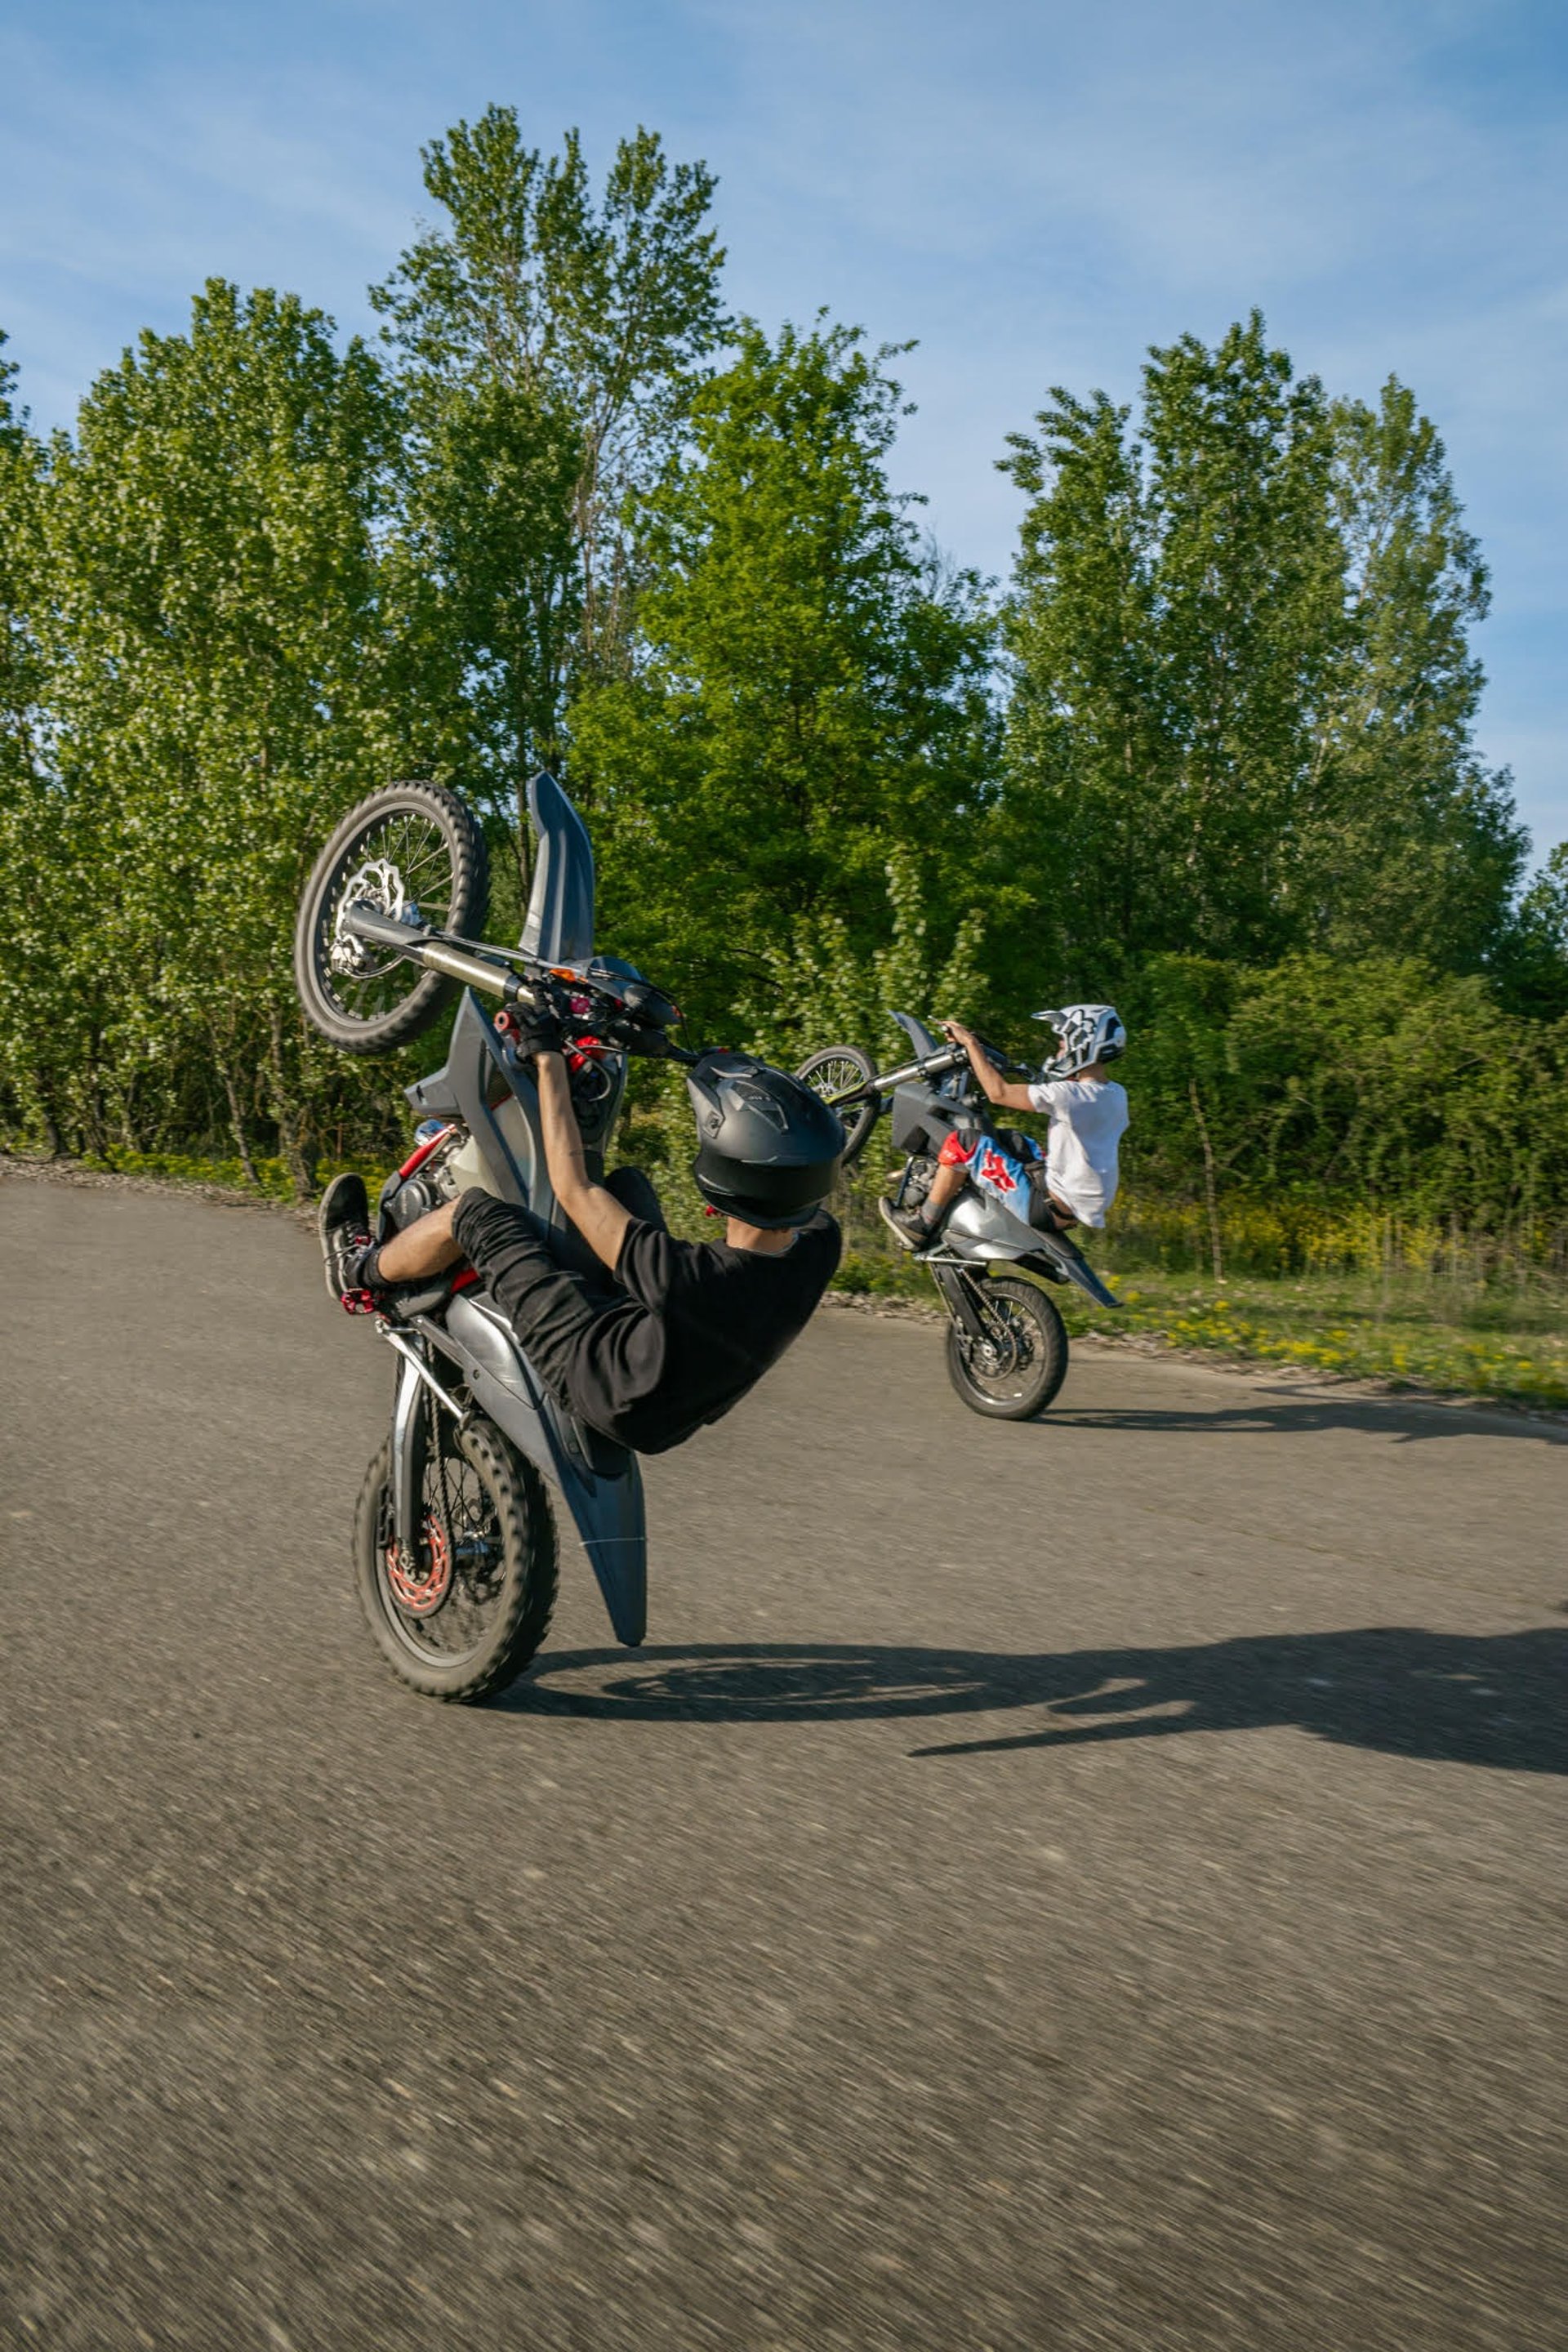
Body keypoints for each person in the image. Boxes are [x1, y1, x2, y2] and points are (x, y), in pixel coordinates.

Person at [318, 1009, 844, 1456]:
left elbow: (572, 1188)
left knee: (477, 1215)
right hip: (676, 1395)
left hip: (604, 1383)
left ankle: (357, 1272)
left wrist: (546, 1057)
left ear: (720, 1184)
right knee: (626, 1184)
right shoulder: (821, 1243)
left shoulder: (690, 1280)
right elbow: (795, 1164)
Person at [880, 1003, 1128, 1252]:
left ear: (1082, 1042)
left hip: (1045, 1207)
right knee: (1013, 1140)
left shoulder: (1071, 1096)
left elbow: (999, 1093)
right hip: (1071, 1205)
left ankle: (922, 1224)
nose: (1059, 1050)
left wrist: (970, 1044)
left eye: (1062, 1043)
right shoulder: (1115, 1094)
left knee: (962, 1143)